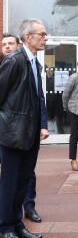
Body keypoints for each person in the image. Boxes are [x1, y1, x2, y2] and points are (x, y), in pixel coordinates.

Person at [0, 19, 49, 238]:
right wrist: (7, 125)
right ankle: (5, 227)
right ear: (28, 37)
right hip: (13, 135)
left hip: (29, 136)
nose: (45, 38)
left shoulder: (34, 63)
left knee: (22, 183)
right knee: (9, 184)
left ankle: (17, 225)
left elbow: (38, 99)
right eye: (42, 34)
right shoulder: (14, 61)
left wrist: (41, 126)